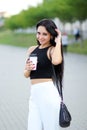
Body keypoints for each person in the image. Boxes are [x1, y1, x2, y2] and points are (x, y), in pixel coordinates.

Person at [24, 19, 64, 130]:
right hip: (34, 95)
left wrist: (59, 40)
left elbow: (56, 61)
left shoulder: (51, 50)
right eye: (38, 33)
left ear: (51, 35)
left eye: (45, 34)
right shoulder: (32, 49)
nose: (40, 37)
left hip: (48, 94)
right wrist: (27, 68)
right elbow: (26, 74)